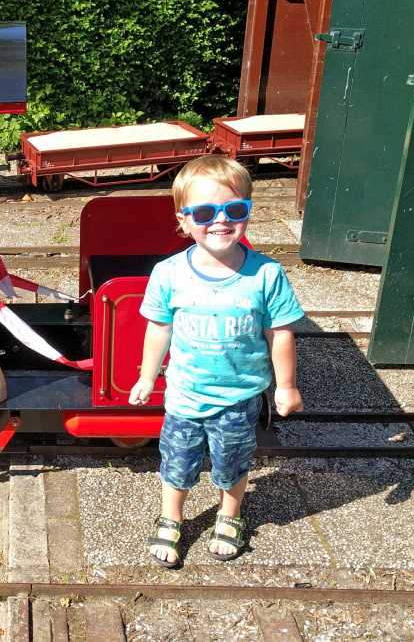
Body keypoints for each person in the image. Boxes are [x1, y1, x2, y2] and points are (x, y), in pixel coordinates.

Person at [128, 155, 304, 566]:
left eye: (234, 210)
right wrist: (146, 377)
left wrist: (287, 386)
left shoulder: (266, 275)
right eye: (205, 213)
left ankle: (230, 513)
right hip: (184, 395)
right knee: (177, 463)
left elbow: (280, 333)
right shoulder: (169, 273)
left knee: (233, 464)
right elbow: (159, 329)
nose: (221, 220)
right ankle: (171, 517)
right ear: (184, 220)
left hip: (239, 398)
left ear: (248, 212)